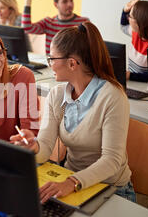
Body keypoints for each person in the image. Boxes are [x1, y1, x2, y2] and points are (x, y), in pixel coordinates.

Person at [10, 22, 136, 204]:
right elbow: (45, 147)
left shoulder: (112, 97)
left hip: (112, 189)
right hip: (71, 182)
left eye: (52, 59)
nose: (49, 64)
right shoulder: (56, 94)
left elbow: (112, 160)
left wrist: (72, 182)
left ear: (71, 63)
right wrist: (34, 147)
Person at [22, 0, 89, 54]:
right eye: (65, 1)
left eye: (71, 0)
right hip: (52, 64)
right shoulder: (49, 22)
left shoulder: (83, 22)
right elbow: (26, 28)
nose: (70, 4)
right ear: (55, 4)